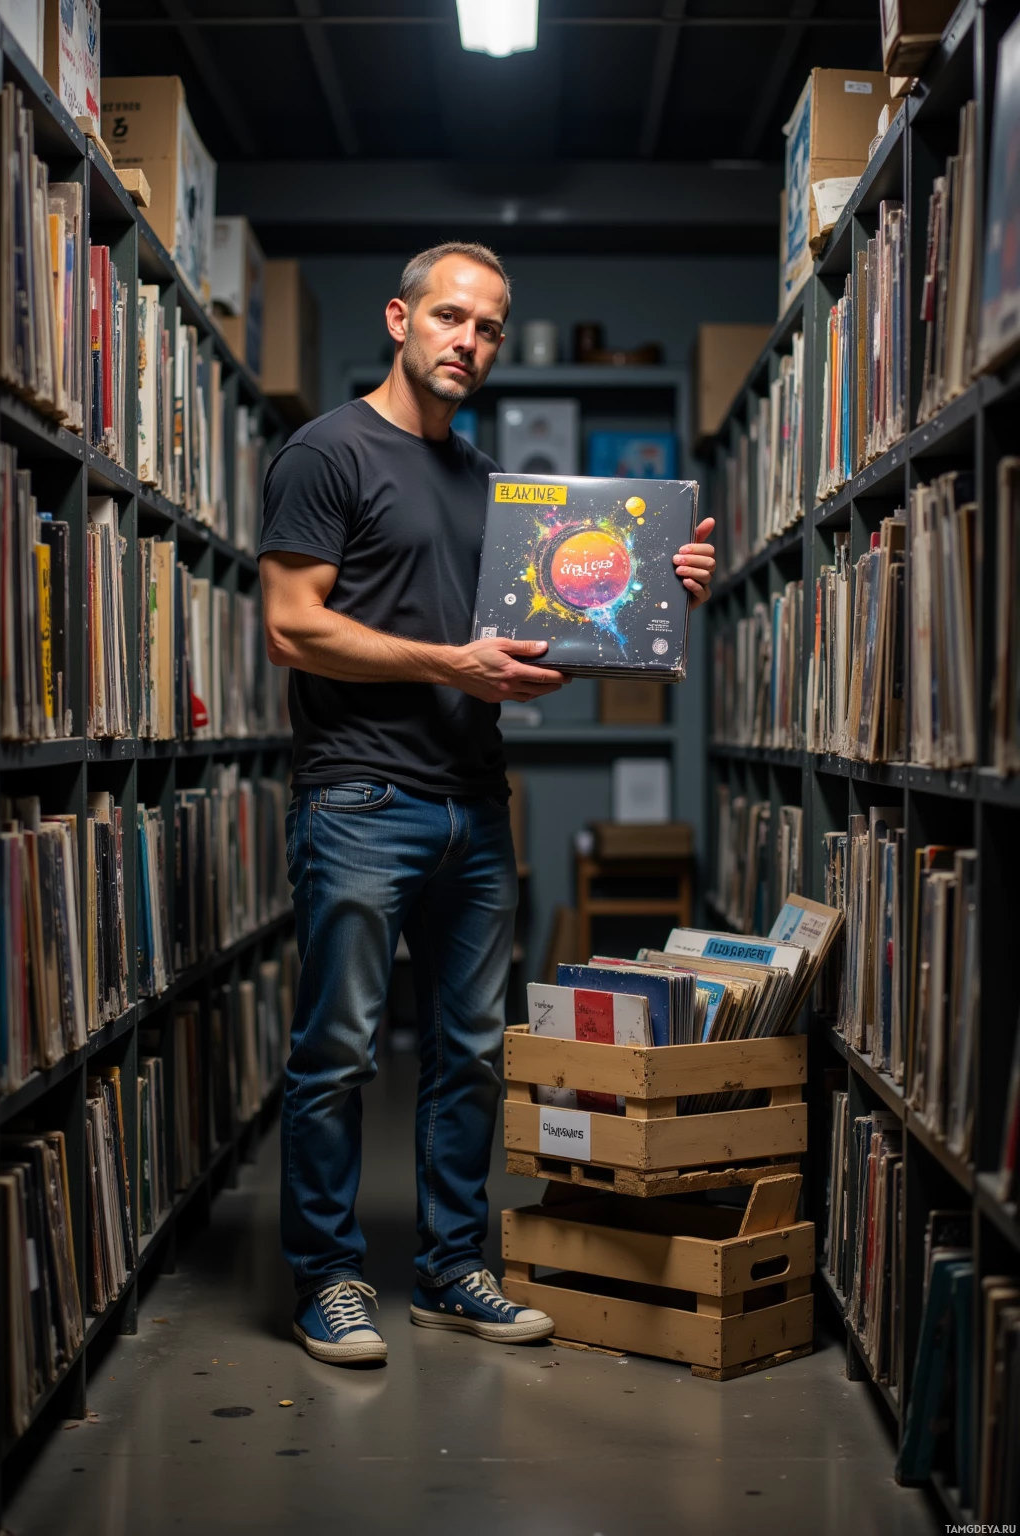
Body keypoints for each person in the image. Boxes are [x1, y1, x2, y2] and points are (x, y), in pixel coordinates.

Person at [258, 242, 716, 1365]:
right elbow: (291, 625)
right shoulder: (326, 453)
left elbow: (540, 638)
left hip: (472, 801)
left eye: (491, 327)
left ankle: (451, 1270)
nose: (470, 341)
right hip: (361, 797)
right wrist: (448, 668)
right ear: (400, 318)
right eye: (451, 317)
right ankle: (325, 1280)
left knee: (470, 1052)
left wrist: (664, 592)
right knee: (339, 1053)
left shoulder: (492, 484)